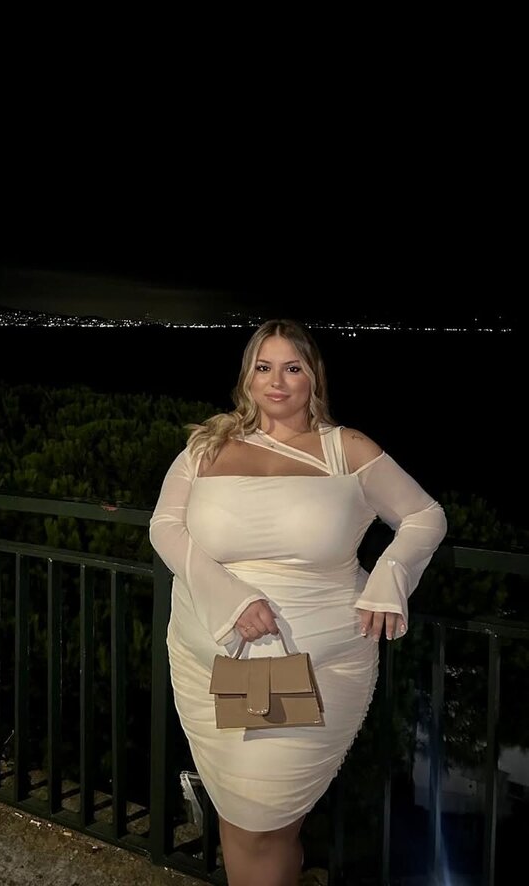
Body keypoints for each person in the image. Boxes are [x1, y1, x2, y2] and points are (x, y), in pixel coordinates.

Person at [149, 318, 447, 886]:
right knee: (239, 819)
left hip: (311, 668)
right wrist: (230, 599)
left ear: (314, 377)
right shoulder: (208, 446)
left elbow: (424, 516)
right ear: (247, 376)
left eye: (292, 368)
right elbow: (165, 527)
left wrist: (390, 578)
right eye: (264, 367)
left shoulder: (346, 449)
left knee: (263, 823)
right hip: (207, 664)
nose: (277, 382)